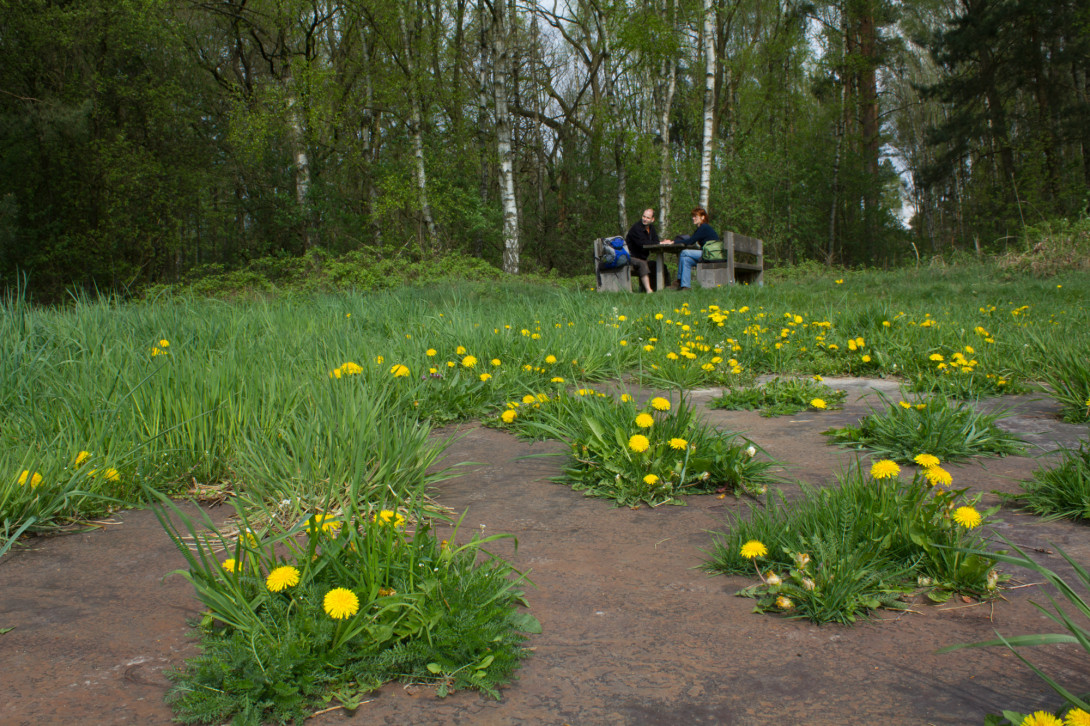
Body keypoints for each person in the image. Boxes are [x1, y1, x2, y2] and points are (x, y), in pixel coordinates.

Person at [661, 207, 718, 291]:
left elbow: (690, 241)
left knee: (684, 252)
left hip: (711, 255)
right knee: (686, 259)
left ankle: (679, 281)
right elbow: (691, 240)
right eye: (693, 216)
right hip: (708, 255)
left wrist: (672, 242)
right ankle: (685, 286)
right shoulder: (701, 228)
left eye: (695, 216)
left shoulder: (704, 227)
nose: (693, 218)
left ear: (703, 217)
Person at [625, 208, 669, 290]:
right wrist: (659, 243)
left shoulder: (651, 228)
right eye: (644, 216)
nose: (645, 219)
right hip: (630, 257)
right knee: (643, 264)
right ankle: (648, 290)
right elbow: (642, 244)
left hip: (642, 258)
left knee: (661, 266)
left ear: (652, 219)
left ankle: (665, 288)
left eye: (648, 218)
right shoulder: (636, 228)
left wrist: (661, 243)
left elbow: (655, 241)